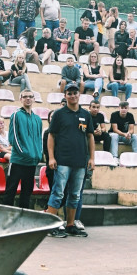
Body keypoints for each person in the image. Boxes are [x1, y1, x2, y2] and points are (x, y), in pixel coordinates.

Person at [45, 84, 94, 238]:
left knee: (75, 195)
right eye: (69, 93)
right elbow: (51, 136)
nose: (72, 96)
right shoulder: (59, 114)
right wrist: (51, 157)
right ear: (65, 96)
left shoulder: (86, 115)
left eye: (75, 93)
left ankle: (70, 225)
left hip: (80, 162)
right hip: (63, 161)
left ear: (79, 95)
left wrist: (92, 158)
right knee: (58, 193)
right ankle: (50, 226)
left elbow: (90, 136)